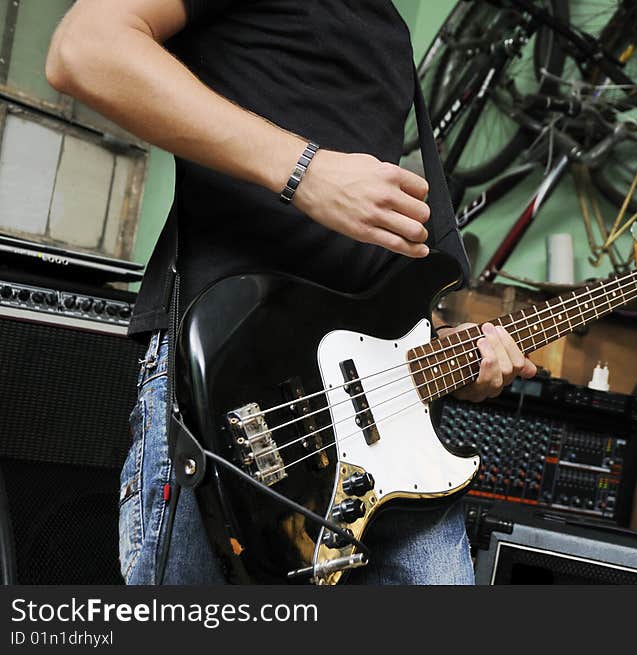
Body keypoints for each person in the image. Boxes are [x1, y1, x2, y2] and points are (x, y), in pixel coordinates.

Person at [46, 0, 537, 585]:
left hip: (371, 436)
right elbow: (86, 49)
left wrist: (442, 353)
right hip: (229, 385)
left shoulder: (387, 28)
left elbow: (362, 299)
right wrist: (305, 170)